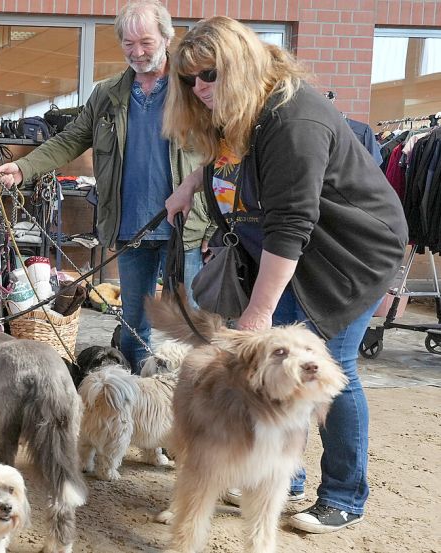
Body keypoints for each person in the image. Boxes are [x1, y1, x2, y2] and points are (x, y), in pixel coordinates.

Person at [162, 16, 407, 533]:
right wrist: (191, 181)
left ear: (240, 66)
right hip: (297, 254)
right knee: (274, 370)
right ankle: (279, 475)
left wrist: (258, 314)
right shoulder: (251, 108)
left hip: (347, 258)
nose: (199, 89)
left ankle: (342, 495)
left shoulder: (295, 118)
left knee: (328, 367)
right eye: (188, 81)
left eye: (209, 75)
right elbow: (233, 157)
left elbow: (292, 221)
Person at [0, 0, 213, 373]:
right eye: (128, 44)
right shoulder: (108, 94)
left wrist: (219, 224)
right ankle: (132, 405)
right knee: (133, 324)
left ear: (166, 36)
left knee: (191, 326)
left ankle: (190, 409)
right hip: (130, 227)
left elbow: (224, 152)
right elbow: (70, 139)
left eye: (145, 42)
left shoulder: (195, 88)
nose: (137, 52)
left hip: (187, 228)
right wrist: (23, 167)